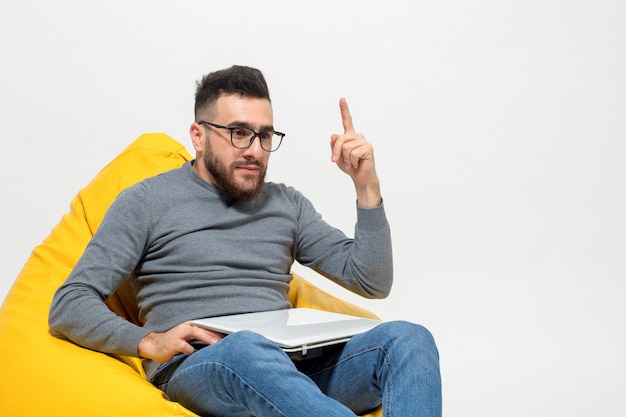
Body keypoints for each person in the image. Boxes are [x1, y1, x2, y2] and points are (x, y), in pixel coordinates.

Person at [49, 65, 441, 417]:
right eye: (239, 133)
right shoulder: (146, 201)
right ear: (198, 136)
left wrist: (366, 185)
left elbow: (372, 280)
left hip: (294, 369)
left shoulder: (287, 204)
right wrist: (148, 341)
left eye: (265, 135)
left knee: (409, 339)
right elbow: (69, 302)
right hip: (201, 367)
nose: (255, 150)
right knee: (246, 348)